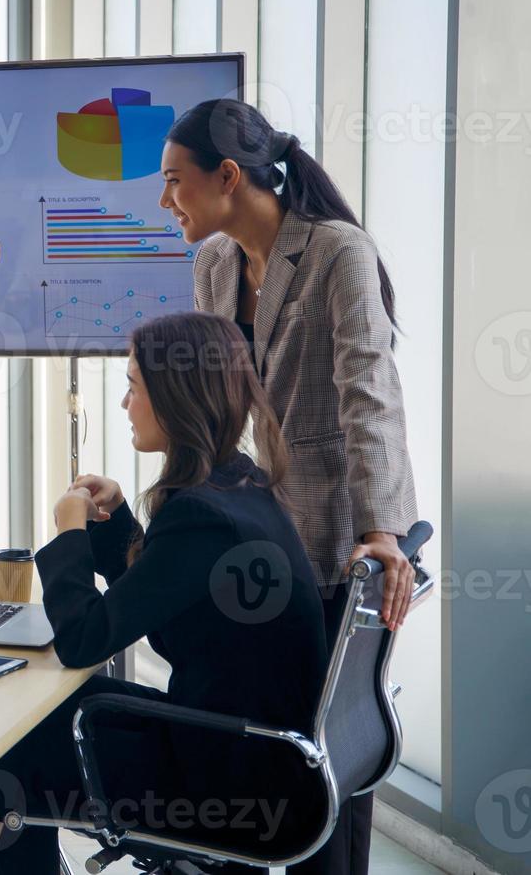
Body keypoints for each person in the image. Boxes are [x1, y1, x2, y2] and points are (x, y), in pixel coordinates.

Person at [0, 312, 328, 875]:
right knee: (22, 728)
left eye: (134, 387)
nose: (125, 403)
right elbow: (167, 608)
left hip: (229, 780)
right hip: (252, 753)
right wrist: (117, 524)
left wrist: (71, 533)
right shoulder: (238, 485)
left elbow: (84, 640)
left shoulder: (203, 514)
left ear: (175, 399)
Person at [161, 98, 419, 874]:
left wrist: (381, 533)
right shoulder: (213, 264)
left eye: (176, 181)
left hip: (344, 534)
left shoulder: (337, 252)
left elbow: (368, 392)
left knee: (330, 752)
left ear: (229, 177)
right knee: (270, 731)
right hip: (267, 538)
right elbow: (213, 408)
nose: (166, 200)